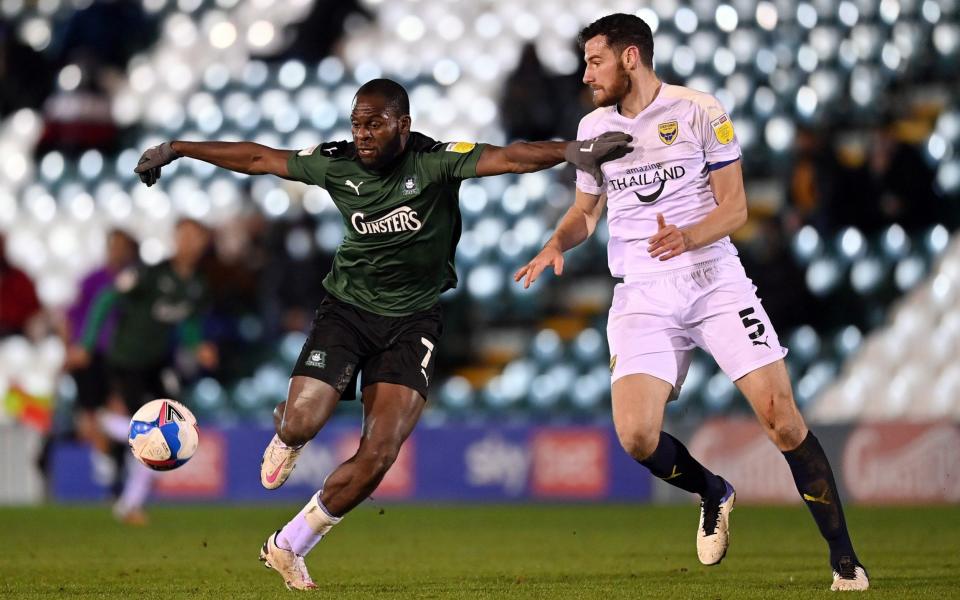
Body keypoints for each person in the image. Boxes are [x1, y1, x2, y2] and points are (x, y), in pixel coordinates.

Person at [133, 78, 629, 590]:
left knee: (381, 454)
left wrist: (573, 151)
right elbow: (260, 158)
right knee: (304, 422)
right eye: (357, 123)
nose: (363, 134)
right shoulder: (337, 163)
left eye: (374, 123)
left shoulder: (435, 161)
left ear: (403, 124)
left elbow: (511, 157)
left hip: (414, 322)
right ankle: (288, 435)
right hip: (346, 312)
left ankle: (289, 545)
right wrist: (178, 148)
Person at [514, 14, 868, 592]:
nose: (586, 74)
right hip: (642, 295)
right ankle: (713, 492)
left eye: (594, 61)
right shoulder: (593, 127)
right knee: (635, 437)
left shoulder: (700, 109)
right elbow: (584, 213)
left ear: (631, 57)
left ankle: (846, 562)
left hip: (712, 278)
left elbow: (735, 209)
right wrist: (557, 241)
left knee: (781, 419)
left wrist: (688, 236)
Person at [75, 217, 217, 525]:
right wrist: (86, 343)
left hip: (157, 361)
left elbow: (189, 320)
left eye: (196, 238)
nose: (190, 244)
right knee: (154, 433)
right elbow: (105, 299)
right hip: (127, 360)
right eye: (185, 236)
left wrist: (198, 345)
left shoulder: (197, 285)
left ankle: (103, 423)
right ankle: (129, 503)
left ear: (204, 244)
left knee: (172, 427)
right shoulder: (151, 275)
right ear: (175, 239)